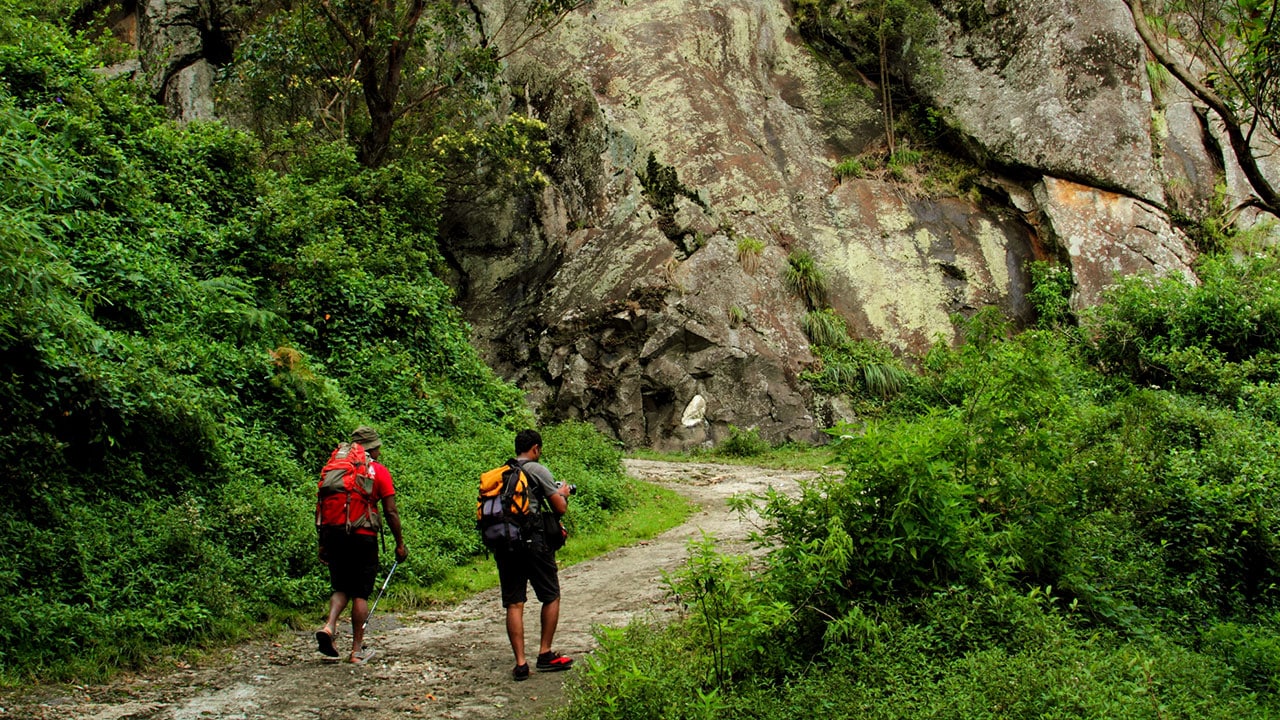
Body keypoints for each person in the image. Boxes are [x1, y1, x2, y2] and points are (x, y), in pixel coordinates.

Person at [315, 425, 408, 664]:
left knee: (339, 587)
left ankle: (329, 626)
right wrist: (400, 543)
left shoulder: (337, 470)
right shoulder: (377, 471)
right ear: (372, 448)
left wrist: (323, 543)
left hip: (334, 533)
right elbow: (391, 511)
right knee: (360, 593)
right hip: (363, 536)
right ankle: (357, 651)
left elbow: (323, 506)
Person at [496, 429, 574, 681]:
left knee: (514, 602)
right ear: (536, 449)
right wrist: (562, 493)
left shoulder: (502, 473)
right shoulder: (537, 470)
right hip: (534, 541)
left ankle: (520, 663)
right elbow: (559, 508)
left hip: (506, 543)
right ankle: (545, 653)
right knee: (550, 595)